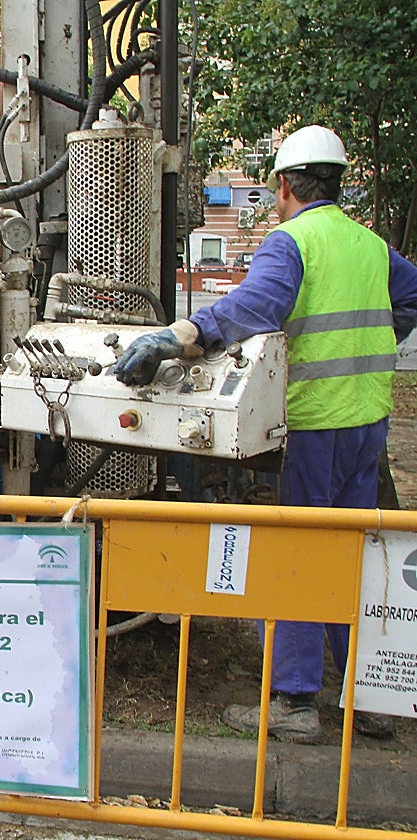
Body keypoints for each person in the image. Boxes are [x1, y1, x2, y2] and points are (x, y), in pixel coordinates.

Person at [113, 125, 417, 744]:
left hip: (313, 422)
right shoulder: (370, 245)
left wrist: (176, 338)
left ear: (282, 185)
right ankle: (374, 696)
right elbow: (408, 303)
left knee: (295, 554)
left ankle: (296, 701)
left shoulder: (292, 242)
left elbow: (252, 309)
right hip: (367, 417)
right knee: (351, 550)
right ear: (335, 183)